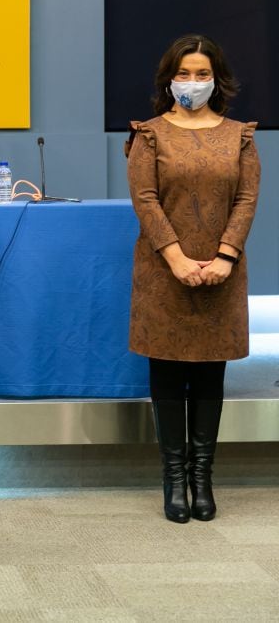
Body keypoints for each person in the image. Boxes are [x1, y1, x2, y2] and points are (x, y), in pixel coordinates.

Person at [126, 33, 259, 523]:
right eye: (184, 73)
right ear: (169, 79)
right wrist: (178, 259)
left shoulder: (239, 135)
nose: (193, 82)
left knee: (209, 374)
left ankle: (202, 479)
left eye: (202, 73)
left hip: (223, 270)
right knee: (167, 372)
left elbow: (246, 199)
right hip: (164, 270)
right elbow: (145, 199)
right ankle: (173, 479)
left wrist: (224, 256)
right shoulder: (150, 133)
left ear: (216, 78)